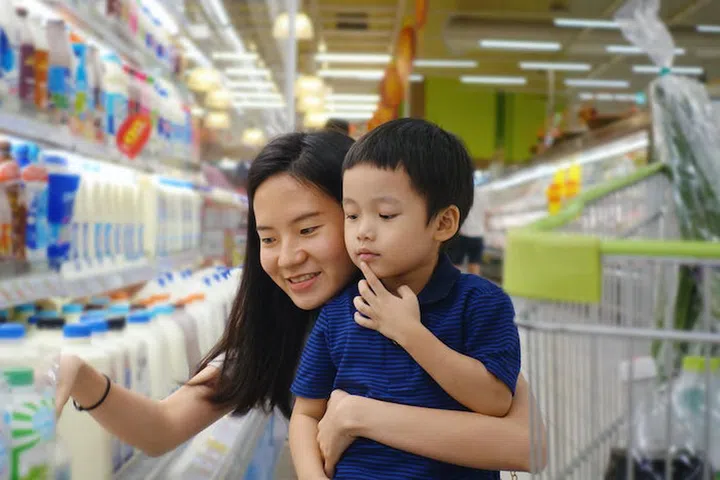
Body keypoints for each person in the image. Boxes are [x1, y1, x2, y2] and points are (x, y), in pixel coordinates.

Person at [55, 130, 545, 476]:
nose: (288, 257)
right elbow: (160, 429)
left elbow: (527, 443)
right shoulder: (283, 334)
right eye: (268, 238)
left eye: (309, 229)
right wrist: (81, 376)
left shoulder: (440, 309)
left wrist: (357, 415)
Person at [289, 119, 520, 479]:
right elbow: (306, 413)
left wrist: (409, 332)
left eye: (385, 215)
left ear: (443, 223)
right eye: (351, 215)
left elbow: (495, 401)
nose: (363, 231)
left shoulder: (480, 303)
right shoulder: (338, 311)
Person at [447, 183, 490, 275]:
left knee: (455, 265)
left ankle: (454, 288)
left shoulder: (461, 194)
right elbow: (487, 214)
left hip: (463, 234)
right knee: (474, 266)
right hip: (478, 235)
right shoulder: (483, 194)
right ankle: (472, 288)